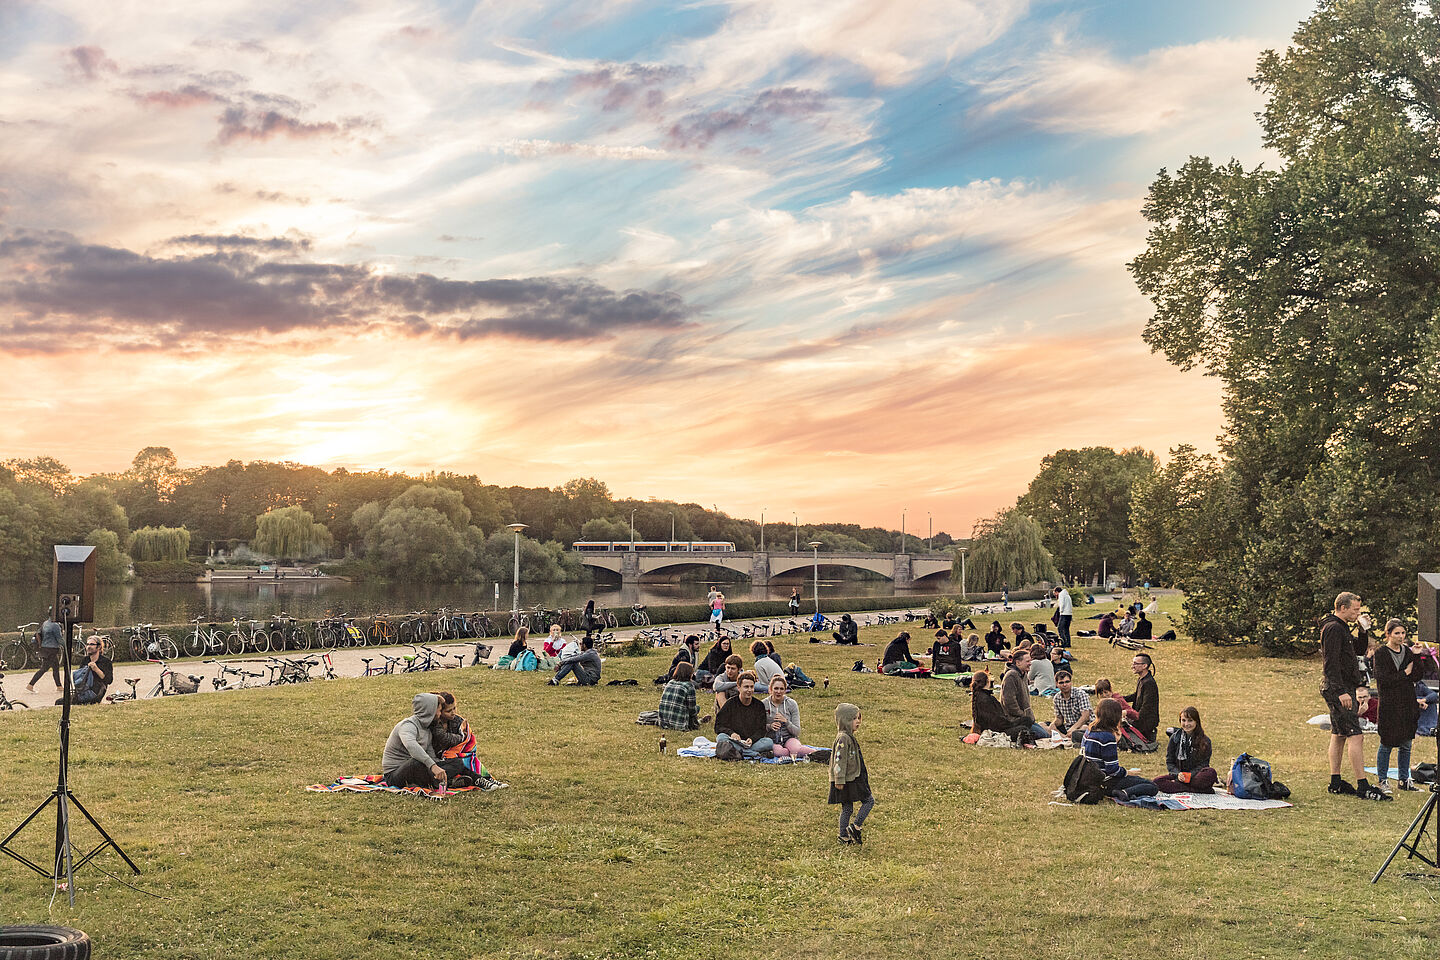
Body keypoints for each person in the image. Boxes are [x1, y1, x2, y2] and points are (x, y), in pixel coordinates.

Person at [1319, 592, 1388, 800]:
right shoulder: (1332, 628)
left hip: (1342, 685)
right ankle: (1362, 785)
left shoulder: (1342, 628)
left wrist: (1362, 630)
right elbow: (1330, 662)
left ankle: (1336, 781)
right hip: (1337, 687)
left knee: (1339, 733)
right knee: (1355, 734)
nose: (1358, 612)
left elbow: (1356, 650)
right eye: (1355, 609)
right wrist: (1340, 691)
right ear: (1342, 608)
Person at [1374, 618, 1421, 792]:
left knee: (1406, 743)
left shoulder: (1407, 652)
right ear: (1388, 634)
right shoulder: (1381, 653)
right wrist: (1404, 673)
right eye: (1397, 633)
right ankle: (1383, 779)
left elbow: (1416, 675)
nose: (1401, 637)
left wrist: (1416, 656)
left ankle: (1404, 779)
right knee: (1387, 742)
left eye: (1403, 633)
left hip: (1407, 703)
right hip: (1389, 704)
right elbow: (1384, 679)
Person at [1082, 699, 1158, 801]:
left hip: (1089, 778)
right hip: (1105, 781)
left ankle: (1121, 791)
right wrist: (1127, 772)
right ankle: (1123, 792)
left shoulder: (1089, 730)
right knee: (1151, 786)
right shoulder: (1107, 737)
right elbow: (1112, 770)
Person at [430, 691, 505, 790]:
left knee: (468, 757)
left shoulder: (456, 720)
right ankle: (479, 780)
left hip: (454, 754)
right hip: (439, 758)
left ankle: (486, 778)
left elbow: (467, 740)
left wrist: (464, 737)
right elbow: (446, 739)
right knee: (459, 761)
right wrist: (461, 736)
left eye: (454, 708)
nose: (453, 713)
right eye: (448, 711)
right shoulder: (435, 724)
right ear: (439, 711)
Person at [829, 703, 874, 844]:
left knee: (847, 807)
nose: (858, 721)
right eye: (854, 718)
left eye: (859, 718)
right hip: (846, 779)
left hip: (852, 777)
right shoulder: (843, 738)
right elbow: (839, 761)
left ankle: (844, 835)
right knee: (868, 800)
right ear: (845, 720)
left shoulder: (848, 736)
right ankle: (854, 827)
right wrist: (839, 779)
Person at [382, 693, 447, 789]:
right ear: (431, 711)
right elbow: (411, 746)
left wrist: (440, 765)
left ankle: (474, 779)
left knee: (457, 763)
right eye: (439, 710)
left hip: (418, 769)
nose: (440, 714)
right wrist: (433, 766)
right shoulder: (407, 725)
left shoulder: (427, 729)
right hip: (394, 775)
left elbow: (430, 755)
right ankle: (444, 782)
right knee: (416, 762)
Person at [1152, 706, 1217, 793]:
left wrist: (1190, 775)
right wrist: (1178, 774)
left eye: (1190, 720)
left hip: (1196, 776)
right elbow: (1170, 762)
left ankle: (1181, 786)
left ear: (1196, 721)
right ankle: (1197, 789)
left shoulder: (1205, 741)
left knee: (1210, 773)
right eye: (1183, 720)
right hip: (1179, 776)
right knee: (1157, 782)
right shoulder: (1174, 738)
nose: (1186, 724)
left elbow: (1204, 764)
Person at [714, 672, 773, 759]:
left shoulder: (759, 705)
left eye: (751, 687)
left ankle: (740, 752)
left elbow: (761, 730)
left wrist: (752, 739)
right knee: (721, 738)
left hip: (752, 742)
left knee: (769, 742)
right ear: (739, 687)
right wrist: (732, 733)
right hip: (735, 740)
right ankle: (752, 754)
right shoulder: (730, 704)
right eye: (746, 687)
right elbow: (718, 726)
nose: (749, 690)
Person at [1001, 649, 1051, 741]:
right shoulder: (1011, 676)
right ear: (1018, 662)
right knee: (1043, 735)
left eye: (1030, 661)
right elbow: (1009, 702)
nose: (1030, 663)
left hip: (1025, 719)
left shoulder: (1023, 674)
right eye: (1027, 661)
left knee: (1047, 733)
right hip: (1014, 720)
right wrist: (1022, 715)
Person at [763, 675, 815, 759]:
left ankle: (821, 754)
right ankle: (788, 753)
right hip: (771, 740)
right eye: (776, 688)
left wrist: (786, 722)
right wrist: (770, 726)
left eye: (781, 689)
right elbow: (758, 728)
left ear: (785, 690)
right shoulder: (764, 704)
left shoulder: (791, 704)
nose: (778, 692)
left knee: (796, 749)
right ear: (771, 689)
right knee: (781, 752)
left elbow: (797, 731)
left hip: (789, 738)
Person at [658, 662, 707, 731]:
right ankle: (700, 721)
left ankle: (700, 721)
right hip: (679, 724)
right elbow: (692, 710)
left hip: (663, 723)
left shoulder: (670, 682)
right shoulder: (689, 686)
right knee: (696, 708)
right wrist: (697, 709)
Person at [65, 635, 112, 705]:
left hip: (96, 692)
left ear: (99, 647)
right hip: (83, 691)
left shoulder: (105, 661)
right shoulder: (85, 660)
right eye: (87, 644)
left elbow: (109, 680)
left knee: (70, 702)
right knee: (60, 701)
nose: (89, 646)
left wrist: (96, 669)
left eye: (92, 644)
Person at [1124, 653, 1160, 742]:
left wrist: (1133, 719)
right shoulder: (1142, 679)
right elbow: (1137, 695)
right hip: (1139, 718)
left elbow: (1147, 707)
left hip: (1146, 722)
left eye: (1135, 664)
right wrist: (1120, 698)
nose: (1132, 666)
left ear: (1144, 666)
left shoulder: (1149, 683)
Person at [1051, 670, 1092, 743]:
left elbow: (1085, 716)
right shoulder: (1056, 698)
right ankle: (1065, 737)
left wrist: (1073, 728)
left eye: (1067, 682)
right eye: (1061, 682)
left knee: (1084, 728)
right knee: (1043, 725)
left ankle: (1066, 737)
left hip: (1084, 725)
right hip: (1068, 727)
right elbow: (1059, 718)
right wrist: (1053, 724)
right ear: (1057, 684)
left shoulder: (1080, 694)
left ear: (1071, 682)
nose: (1065, 685)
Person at [26, 613, 63, 693]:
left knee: (55, 667)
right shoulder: (55, 625)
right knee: (44, 669)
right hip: (52, 650)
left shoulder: (45, 623)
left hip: (45, 649)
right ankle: (30, 685)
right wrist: (67, 646)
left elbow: (38, 633)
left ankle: (59, 686)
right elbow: (59, 638)